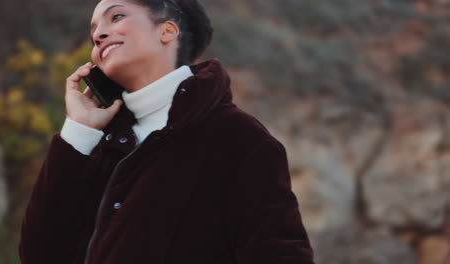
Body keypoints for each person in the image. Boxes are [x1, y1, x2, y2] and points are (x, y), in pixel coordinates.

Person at [18, 0, 315, 263]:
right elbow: (39, 255)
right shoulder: (99, 144)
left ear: (167, 31)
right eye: (94, 30)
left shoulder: (238, 138)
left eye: (116, 16)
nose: (98, 34)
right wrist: (78, 132)